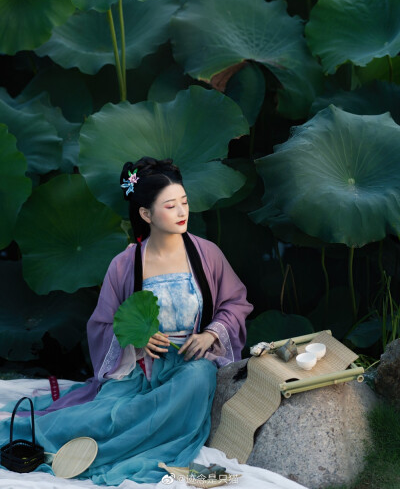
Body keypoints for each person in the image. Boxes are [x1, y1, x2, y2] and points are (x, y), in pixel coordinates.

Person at [0, 157, 253, 486]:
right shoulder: (125, 264)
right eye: (170, 206)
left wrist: (210, 335)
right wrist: (136, 341)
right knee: (104, 415)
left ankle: (143, 434)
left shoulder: (207, 255)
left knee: (199, 376)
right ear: (146, 214)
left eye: (184, 203)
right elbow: (103, 325)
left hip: (189, 364)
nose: (181, 213)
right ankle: (80, 436)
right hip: (140, 369)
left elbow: (235, 303)